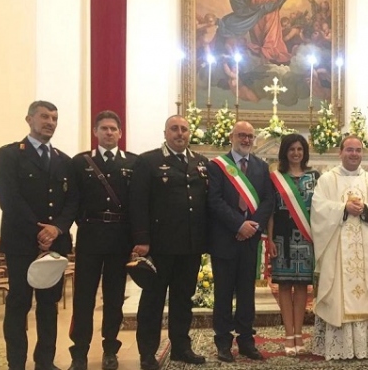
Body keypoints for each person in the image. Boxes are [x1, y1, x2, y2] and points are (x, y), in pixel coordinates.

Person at [0, 100, 78, 370]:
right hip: (22, 242)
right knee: (19, 303)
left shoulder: (63, 161)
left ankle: (45, 361)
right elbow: (9, 197)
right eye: (44, 117)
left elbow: (73, 201)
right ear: (29, 119)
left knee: (48, 305)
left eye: (54, 118)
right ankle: (16, 363)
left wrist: (58, 228)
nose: (50, 122)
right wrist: (39, 230)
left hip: (55, 243)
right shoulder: (10, 155)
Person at [129, 115, 209, 369]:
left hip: (190, 246)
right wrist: (141, 239)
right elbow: (138, 203)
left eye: (184, 129)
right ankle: (147, 353)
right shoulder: (149, 161)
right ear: (165, 133)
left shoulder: (200, 162)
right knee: (153, 300)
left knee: (183, 299)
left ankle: (181, 347)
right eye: (174, 129)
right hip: (159, 246)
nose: (180, 133)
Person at [67, 111, 137, 370]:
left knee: (115, 296)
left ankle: (110, 348)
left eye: (113, 129)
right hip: (90, 238)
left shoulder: (132, 163)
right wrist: (81, 223)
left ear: (120, 133)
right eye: (104, 128)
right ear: (95, 132)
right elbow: (72, 199)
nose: (109, 133)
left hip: (120, 239)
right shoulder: (80, 162)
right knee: (83, 297)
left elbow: (136, 204)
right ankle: (79, 352)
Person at [311, 135, 368, 360]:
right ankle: (339, 346)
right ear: (340, 152)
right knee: (338, 295)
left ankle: (364, 347)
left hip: (366, 247)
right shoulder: (327, 179)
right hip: (337, 249)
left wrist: (365, 208)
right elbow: (318, 209)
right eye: (349, 150)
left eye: (358, 150)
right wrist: (343, 208)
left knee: (366, 291)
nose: (354, 154)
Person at [207, 121, 275, 362]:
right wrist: (239, 224)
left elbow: (268, 199)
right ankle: (223, 343)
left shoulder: (260, 166)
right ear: (231, 136)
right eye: (242, 135)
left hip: (249, 241)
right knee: (223, 294)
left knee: (247, 294)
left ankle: (246, 341)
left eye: (250, 136)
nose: (246, 140)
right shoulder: (217, 166)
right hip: (225, 239)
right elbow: (214, 201)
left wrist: (252, 226)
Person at [266, 134, 319, 356]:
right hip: (282, 237)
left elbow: (320, 210)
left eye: (299, 149)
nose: (296, 153)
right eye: (292, 149)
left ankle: (299, 334)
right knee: (285, 286)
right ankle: (289, 334)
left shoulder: (315, 177)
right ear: (285, 152)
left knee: (302, 288)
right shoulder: (275, 178)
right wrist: (269, 239)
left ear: (304, 152)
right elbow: (269, 211)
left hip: (307, 237)